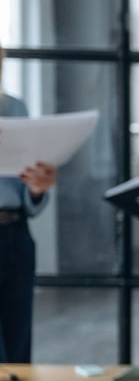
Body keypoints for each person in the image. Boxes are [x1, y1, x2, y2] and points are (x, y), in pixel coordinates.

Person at [0, 42, 57, 363]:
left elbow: (25, 190)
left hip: (15, 234)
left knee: (18, 345)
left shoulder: (14, 109)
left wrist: (38, 187)